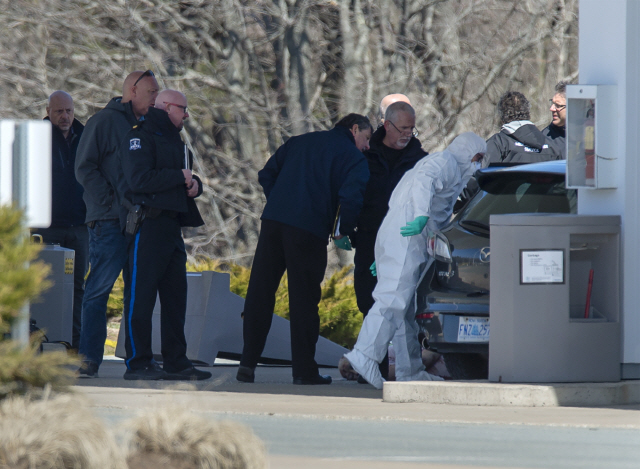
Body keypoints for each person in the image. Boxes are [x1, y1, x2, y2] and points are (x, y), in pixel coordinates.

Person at [344, 132, 488, 389]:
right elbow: (425, 182)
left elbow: (422, 207)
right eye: (477, 158)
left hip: (400, 237)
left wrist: (385, 254)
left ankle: (409, 370)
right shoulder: (445, 163)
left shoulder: (449, 172)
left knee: (406, 311)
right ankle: (364, 355)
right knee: (392, 300)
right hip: (408, 235)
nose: (478, 163)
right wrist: (420, 216)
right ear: (467, 153)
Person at [236, 114, 372, 385]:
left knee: (260, 293)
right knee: (304, 301)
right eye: (367, 138)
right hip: (308, 230)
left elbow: (267, 173)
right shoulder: (353, 157)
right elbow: (352, 197)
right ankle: (304, 371)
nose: (367, 146)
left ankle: (247, 364)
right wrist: (343, 229)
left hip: (273, 223)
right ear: (354, 129)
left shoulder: (300, 142)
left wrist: (281, 201)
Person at [120, 89, 210, 381]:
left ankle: (176, 361)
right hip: (148, 225)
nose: (186, 114)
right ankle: (138, 362)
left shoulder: (178, 142)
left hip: (172, 227)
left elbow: (186, 176)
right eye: (183, 108)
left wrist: (195, 185)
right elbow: (138, 180)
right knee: (141, 297)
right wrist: (179, 178)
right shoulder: (140, 137)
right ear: (168, 107)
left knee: (175, 298)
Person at [75, 70, 159, 378]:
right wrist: (110, 204)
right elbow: (84, 168)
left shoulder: (145, 126)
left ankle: (138, 363)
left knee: (136, 295)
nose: (156, 98)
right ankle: (88, 362)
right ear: (132, 91)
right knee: (98, 291)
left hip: (137, 223)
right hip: (109, 222)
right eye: (152, 92)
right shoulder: (104, 122)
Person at [353, 100, 427, 379]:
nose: (408, 134)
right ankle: (373, 363)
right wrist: (345, 230)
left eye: (412, 128)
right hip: (369, 236)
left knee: (400, 303)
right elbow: (351, 193)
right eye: (403, 128)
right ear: (387, 125)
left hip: (403, 240)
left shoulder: (419, 159)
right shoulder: (365, 154)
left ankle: (394, 367)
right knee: (367, 299)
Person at [31, 91, 88, 351]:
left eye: (69, 111)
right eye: (59, 112)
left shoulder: (85, 136)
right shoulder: (36, 136)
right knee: (45, 288)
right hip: (47, 227)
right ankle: (43, 343)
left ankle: (74, 344)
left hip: (79, 226)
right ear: (48, 111)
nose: (65, 117)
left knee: (77, 288)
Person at [487, 91, 562, 164]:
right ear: (527, 112)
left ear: (502, 117)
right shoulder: (552, 147)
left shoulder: (498, 143)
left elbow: (486, 174)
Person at [542, 81, 568, 158]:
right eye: (552, 103)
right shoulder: (544, 138)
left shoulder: (588, 135)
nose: (552, 109)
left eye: (558, 105)